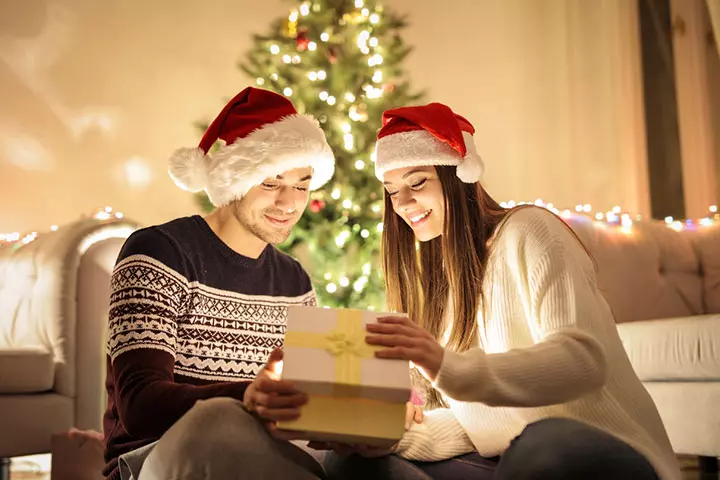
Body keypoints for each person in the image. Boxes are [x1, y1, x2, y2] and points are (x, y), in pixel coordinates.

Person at [322, 103, 682, 480]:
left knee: (542, 442)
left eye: (417, 183)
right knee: (352, 462)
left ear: (457, 177)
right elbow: (480, 425)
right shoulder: (440, 282)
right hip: (509, 459)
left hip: (597, 451)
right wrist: (391, 435)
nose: (403, 204)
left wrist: (444, 365)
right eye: (392, 191)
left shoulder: (530, 231)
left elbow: (583, 362)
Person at [102, 87, 337, 480]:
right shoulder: (159, 251)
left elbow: (305, 403)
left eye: (302, 184)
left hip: (266, 461)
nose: (289, 202)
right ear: (233, 179)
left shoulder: (295, 280)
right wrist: (246, 397)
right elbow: (140, 405)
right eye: (270, 182)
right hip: (154, 461)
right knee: (223, 423)